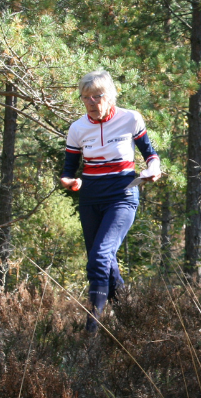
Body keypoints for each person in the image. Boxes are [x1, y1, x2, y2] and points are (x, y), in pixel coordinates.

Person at [60, 70, 162, 332]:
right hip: (91, 196)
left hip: (123, 194)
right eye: (86, 98)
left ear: (110, 97)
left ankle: (90, 332)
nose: (92, 103)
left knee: (98, 258)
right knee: (106, 261)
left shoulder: (130, 118)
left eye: (97, 96)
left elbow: (150, 155)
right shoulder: (77, 128)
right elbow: (69, 170)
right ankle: (132, 318)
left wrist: (153, 170)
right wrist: (70, 182)